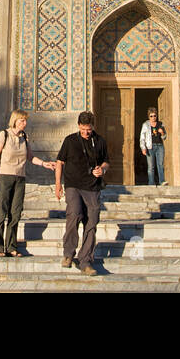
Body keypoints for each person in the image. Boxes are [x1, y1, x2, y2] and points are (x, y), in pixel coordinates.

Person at [0, 109, 56, 257]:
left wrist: (45, 164)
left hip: (20, 178)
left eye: (25, 121)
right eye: (22, 120)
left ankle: (11, 247)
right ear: (15, 120)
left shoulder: (24, 137)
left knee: (15, 213)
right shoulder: (4, 135)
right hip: (4, 177)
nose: (25, 123)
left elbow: (30, 157)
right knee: (1, 212)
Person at [54, 111, 109, 276]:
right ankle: (68, 253)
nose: (86, 132)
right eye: (84, 129)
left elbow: (106, 161)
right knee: (74, 214)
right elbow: (60, 162)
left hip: (92, 187)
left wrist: (102, 170)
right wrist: (58, 184)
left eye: (89, 129)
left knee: (91, 222)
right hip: (73, 185)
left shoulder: (99, 141)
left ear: (93, 127)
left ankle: (85, 260)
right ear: (78, 126)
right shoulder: (70, 141)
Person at [139, 106, 167, 185]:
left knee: (160, 164)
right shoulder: (145, 125)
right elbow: (142, 138)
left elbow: (164, 137)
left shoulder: (160, 124)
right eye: (151, 116)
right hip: (150, 147)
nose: (153, 117)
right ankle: (151, 183)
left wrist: (162, 133)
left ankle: (162, 181)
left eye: (154, 116)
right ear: (149, 116)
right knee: (151, 166)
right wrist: (143, 148)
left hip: (160, 146)